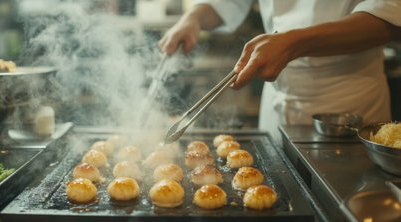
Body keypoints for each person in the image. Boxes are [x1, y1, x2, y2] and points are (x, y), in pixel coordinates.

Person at [159, 0, 401, 145]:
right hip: (277, 100)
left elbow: (390, 15)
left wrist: (294, 43)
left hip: (347, 104)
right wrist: (195, 17)